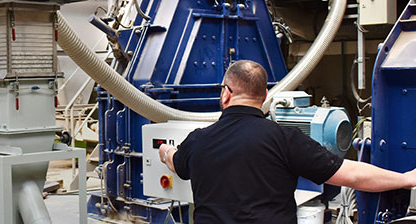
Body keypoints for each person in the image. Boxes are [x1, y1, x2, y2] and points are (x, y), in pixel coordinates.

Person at [158, 60, 416, 224]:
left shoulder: (197, 141)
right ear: (266, 96)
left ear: (225, 93)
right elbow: (352, 174)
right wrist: (405, 179)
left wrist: (164, 149)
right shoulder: (285, 139)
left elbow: (174, 162)